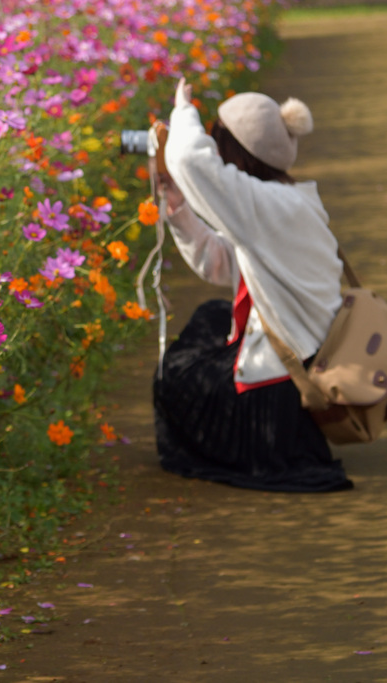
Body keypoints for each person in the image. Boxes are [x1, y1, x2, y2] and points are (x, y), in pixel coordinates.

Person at [153, 78, 353, 492]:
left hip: (279, 390)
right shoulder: (285, 199)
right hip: (305, 359)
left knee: (174, 376)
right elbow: (223, 263)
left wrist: (183, 110)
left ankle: (247, 438)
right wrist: (178, 206)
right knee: (212, 315)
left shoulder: (266, 204)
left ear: (234, 150)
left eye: (217, 140)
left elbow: (189, 159)